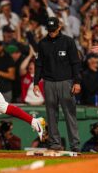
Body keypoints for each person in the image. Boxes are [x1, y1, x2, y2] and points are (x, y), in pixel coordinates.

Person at [34, 17, 81, 152]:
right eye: (49, 30)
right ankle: (54, 144)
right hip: (49, 82)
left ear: (59, 27)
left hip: (66, 81)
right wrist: (36, 82)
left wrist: (77, 82)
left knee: (69, 114)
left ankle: (75, 145)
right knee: (51, 114)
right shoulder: (42, 43)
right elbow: (39, 64)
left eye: (53, 30)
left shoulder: (68, 42)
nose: (51, 32)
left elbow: (75, 63)